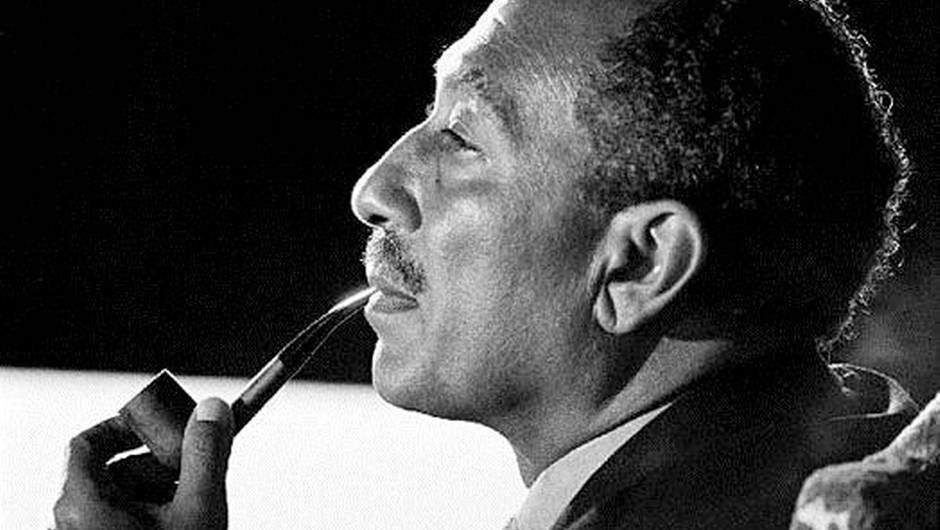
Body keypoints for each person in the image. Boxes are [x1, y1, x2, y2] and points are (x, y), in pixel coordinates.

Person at [54, 0, 920, 528]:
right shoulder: (849, 447)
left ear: (641, 265)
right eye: (428, 116)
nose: (374, 189)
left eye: (463, 137)